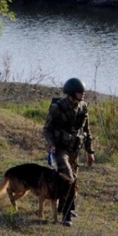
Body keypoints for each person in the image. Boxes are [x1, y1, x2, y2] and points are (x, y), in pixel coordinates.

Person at [42, 77, 95, 227]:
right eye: (80, 92)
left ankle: (64, 206)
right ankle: (67, 214)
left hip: (75, 150)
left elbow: (86, 130)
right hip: (61, 150)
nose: (83, 94)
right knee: (68, 179)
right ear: (72, 93)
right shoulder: (57, 108)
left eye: (83, 92)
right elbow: (47, 129)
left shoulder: (83, 107)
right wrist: (51, 145)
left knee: (74, 181)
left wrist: (90, 152)